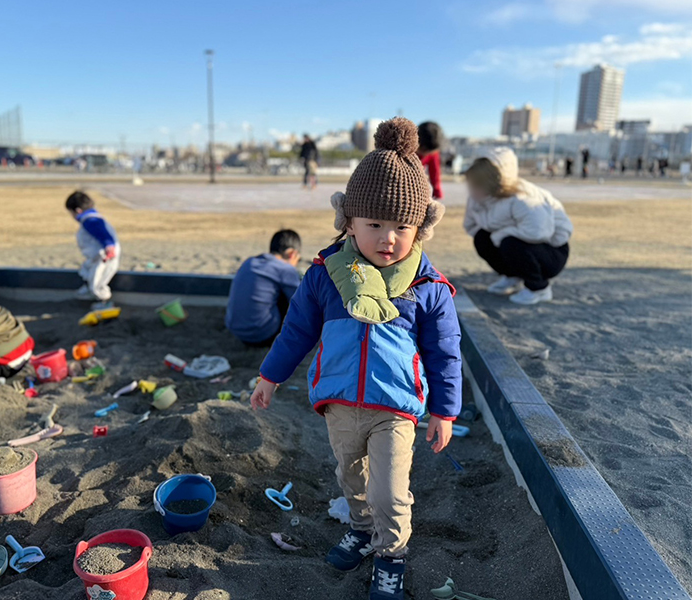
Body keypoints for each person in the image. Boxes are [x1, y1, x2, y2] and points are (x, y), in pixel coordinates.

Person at [250, 118, 461, 600]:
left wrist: (446, 410)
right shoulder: (327, 275)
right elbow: (297, 330)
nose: (388, 238)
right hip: (341, 401)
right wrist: (270, 376)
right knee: (351, 478)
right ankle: (362, 528)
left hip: (396, 407)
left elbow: (446, 352)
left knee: (390, 490)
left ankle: (391, 553)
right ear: (348, 221)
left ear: (422, 227)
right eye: (374, 225)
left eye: (402, 227)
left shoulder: (426, 287)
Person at [463, 148, 573, 305]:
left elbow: (539, 232)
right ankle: (512, 276)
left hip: (551, 251)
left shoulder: (524, 197)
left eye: (477, 185)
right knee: (481, 238)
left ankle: (539, 288)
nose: (472, 190)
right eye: (471, 184)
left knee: (510, 243)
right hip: (519, 244)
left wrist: (500, 235)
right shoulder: (477, 199)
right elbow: (471, 226)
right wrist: (495, 238)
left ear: (494, 181)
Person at [225, 230, 302, 347]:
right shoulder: (285, 269)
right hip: (262, 335)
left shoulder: (249, 262)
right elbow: (300, 302)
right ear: (292, 254)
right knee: (290, 296)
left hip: (235, 330)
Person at [65, 191, 121, 310]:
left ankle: (105, 303)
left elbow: (104, 235)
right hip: (97, 256)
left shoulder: (91, 221)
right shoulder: (92, 218)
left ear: (78, 210)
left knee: (98, 281)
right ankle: (87, 291)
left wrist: (109, 247)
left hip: (104, 256)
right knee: (86, 270)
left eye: (71, 213)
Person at [416, 121, 444, 199]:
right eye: (423, 150)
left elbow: (435, 171)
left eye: (429, 152)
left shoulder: (433, 152)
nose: (425, 154)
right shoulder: (407, 150)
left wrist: (437, 191)